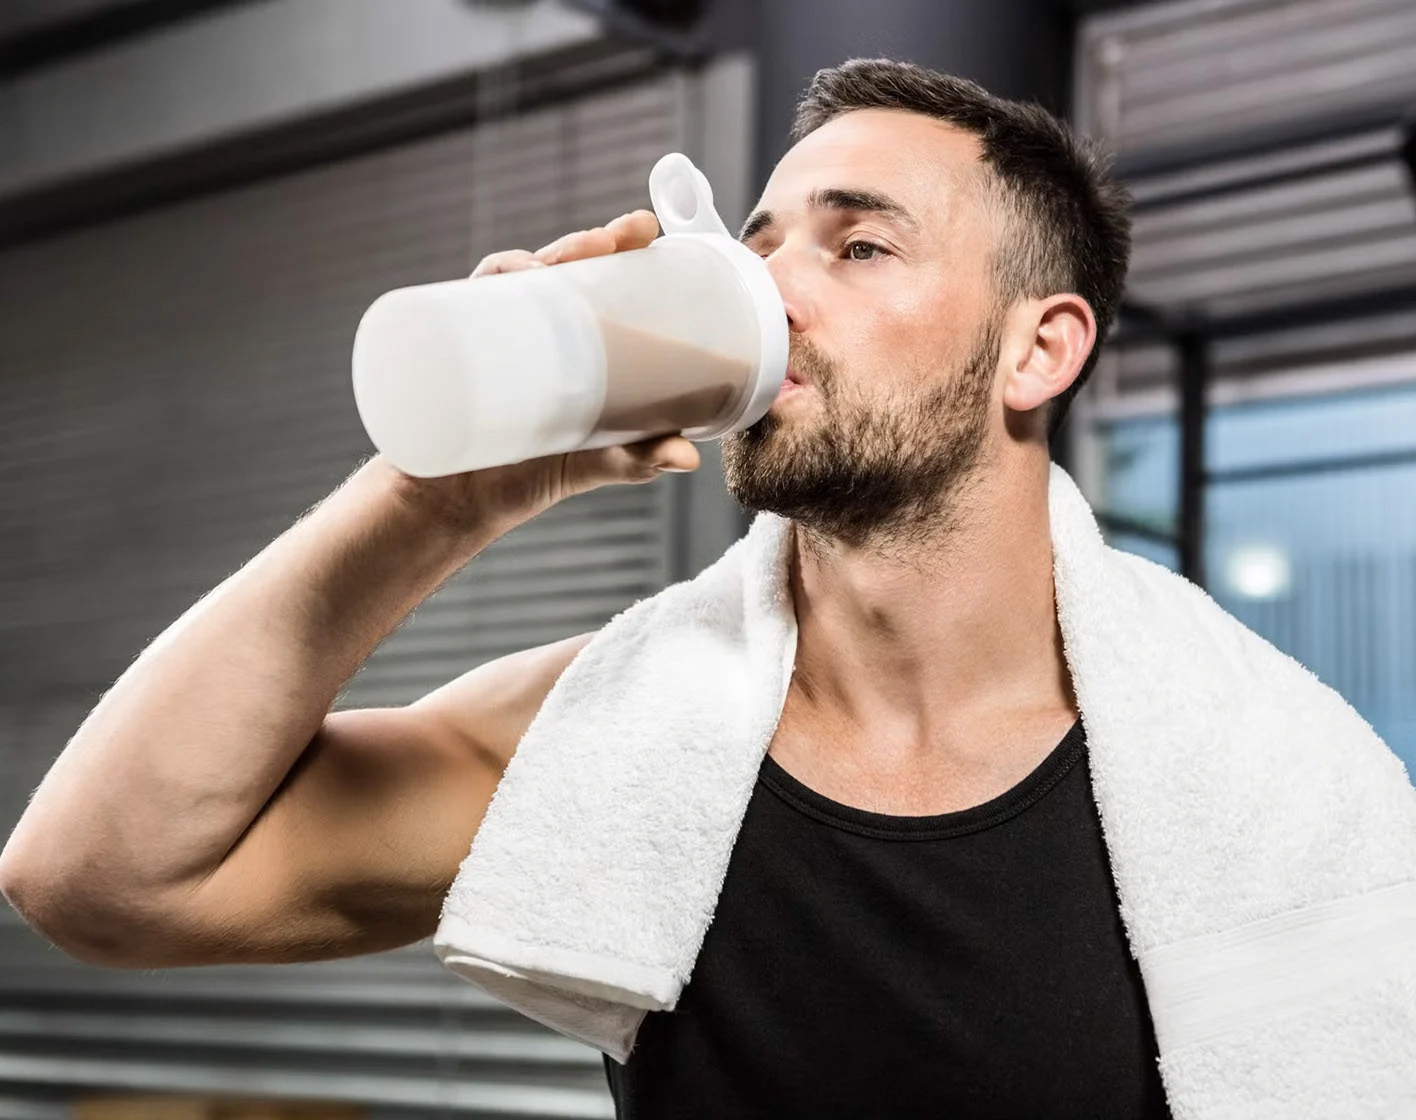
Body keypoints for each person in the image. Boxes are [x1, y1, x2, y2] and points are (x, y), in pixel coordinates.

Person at [0, 58, 1159, 1117]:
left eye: (858, 248)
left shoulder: (1230, 769)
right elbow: (99, 882)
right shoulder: (625, 728)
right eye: (759, 250)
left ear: (1039, 350)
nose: (776, 292)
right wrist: (440, 494)